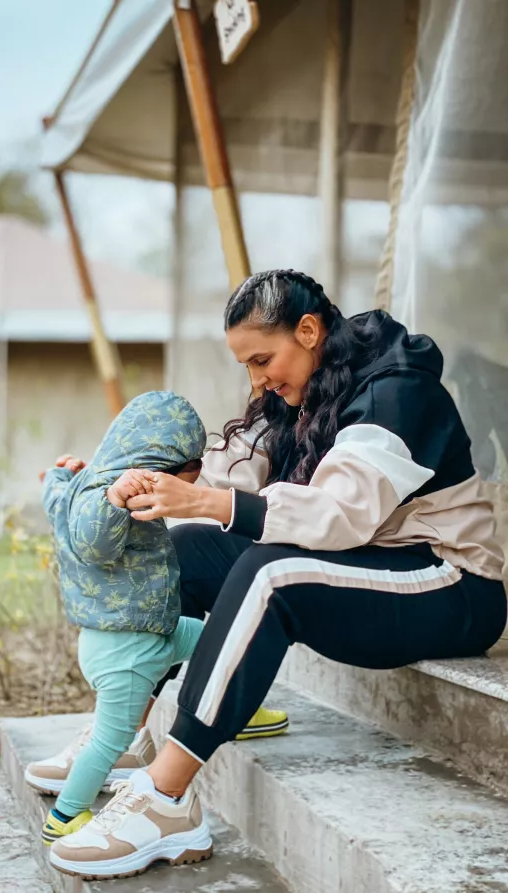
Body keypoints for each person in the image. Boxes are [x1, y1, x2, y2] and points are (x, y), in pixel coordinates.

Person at [47, 269, 507, 881]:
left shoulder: (397, 393)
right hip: (373, 562)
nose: (257, 378)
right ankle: (124, 730)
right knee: (182, 550)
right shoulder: (304, 395)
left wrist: (214, 505)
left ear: (309, 331)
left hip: (450, 584)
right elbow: (228, 479)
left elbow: (339, 515)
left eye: (263, 359)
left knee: (272, 574)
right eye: (247, 366)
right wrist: (113, 483)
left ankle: (165, 801)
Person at [26, 390, 288, 849]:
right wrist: (112, 497)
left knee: (226, 642)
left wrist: (64, 476)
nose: (194, 480)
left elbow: (62, 502)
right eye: (189, 473)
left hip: (155, 632)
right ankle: (65, 816)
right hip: (125, 651)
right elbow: (90, 542)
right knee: (109, 745)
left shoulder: (91, 485)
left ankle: (234, 705)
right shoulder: (107, 499)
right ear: (154, 468)